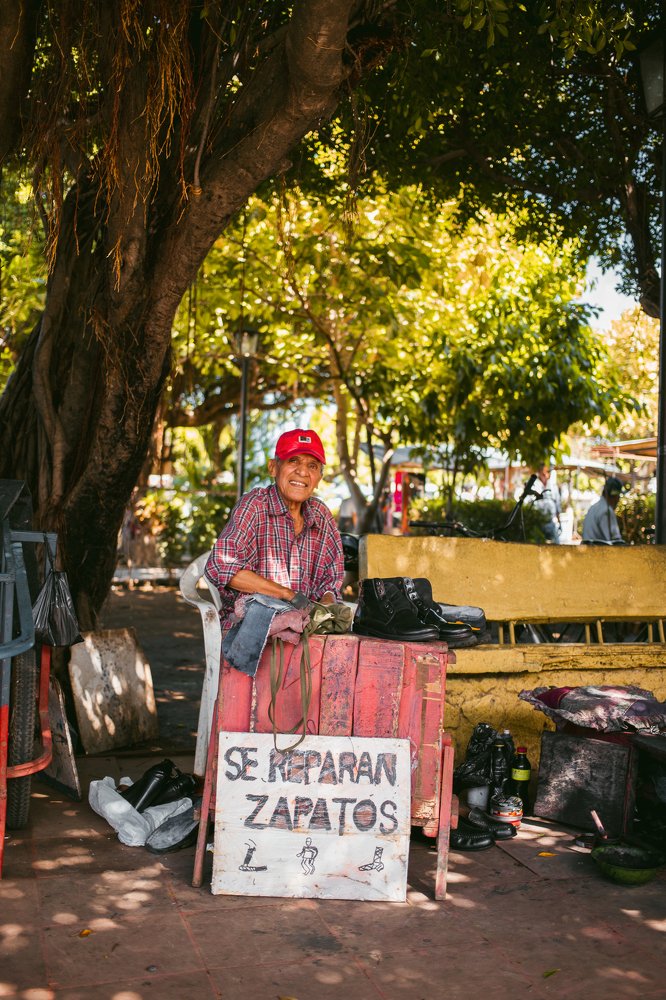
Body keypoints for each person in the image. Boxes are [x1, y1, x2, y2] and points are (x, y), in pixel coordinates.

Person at [205, 428, 344, 628]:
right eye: (293, 461)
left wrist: (327, 605)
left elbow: (332, 578)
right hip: (251, 626)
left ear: (319, 477)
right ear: (273, 468)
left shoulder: (320, 514)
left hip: (305, 628)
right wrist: (288, 595)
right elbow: (220, 566)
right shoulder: (254, 505)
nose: (303, 472)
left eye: (312, 466)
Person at [582, 476, 625, 544]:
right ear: (616, 496)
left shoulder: (594, 507)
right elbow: (616, 541)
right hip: (599, 552)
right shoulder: (606, 511)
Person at [533, 464, 561, 543]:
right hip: (538, 522)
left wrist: (559, 522)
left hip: (552, 522)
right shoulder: (535, 485)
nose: (545, 475)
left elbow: (558, 504)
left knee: (556, 545)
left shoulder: (553, 486)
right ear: (539, 472)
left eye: (547, 472)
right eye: (543, 473)